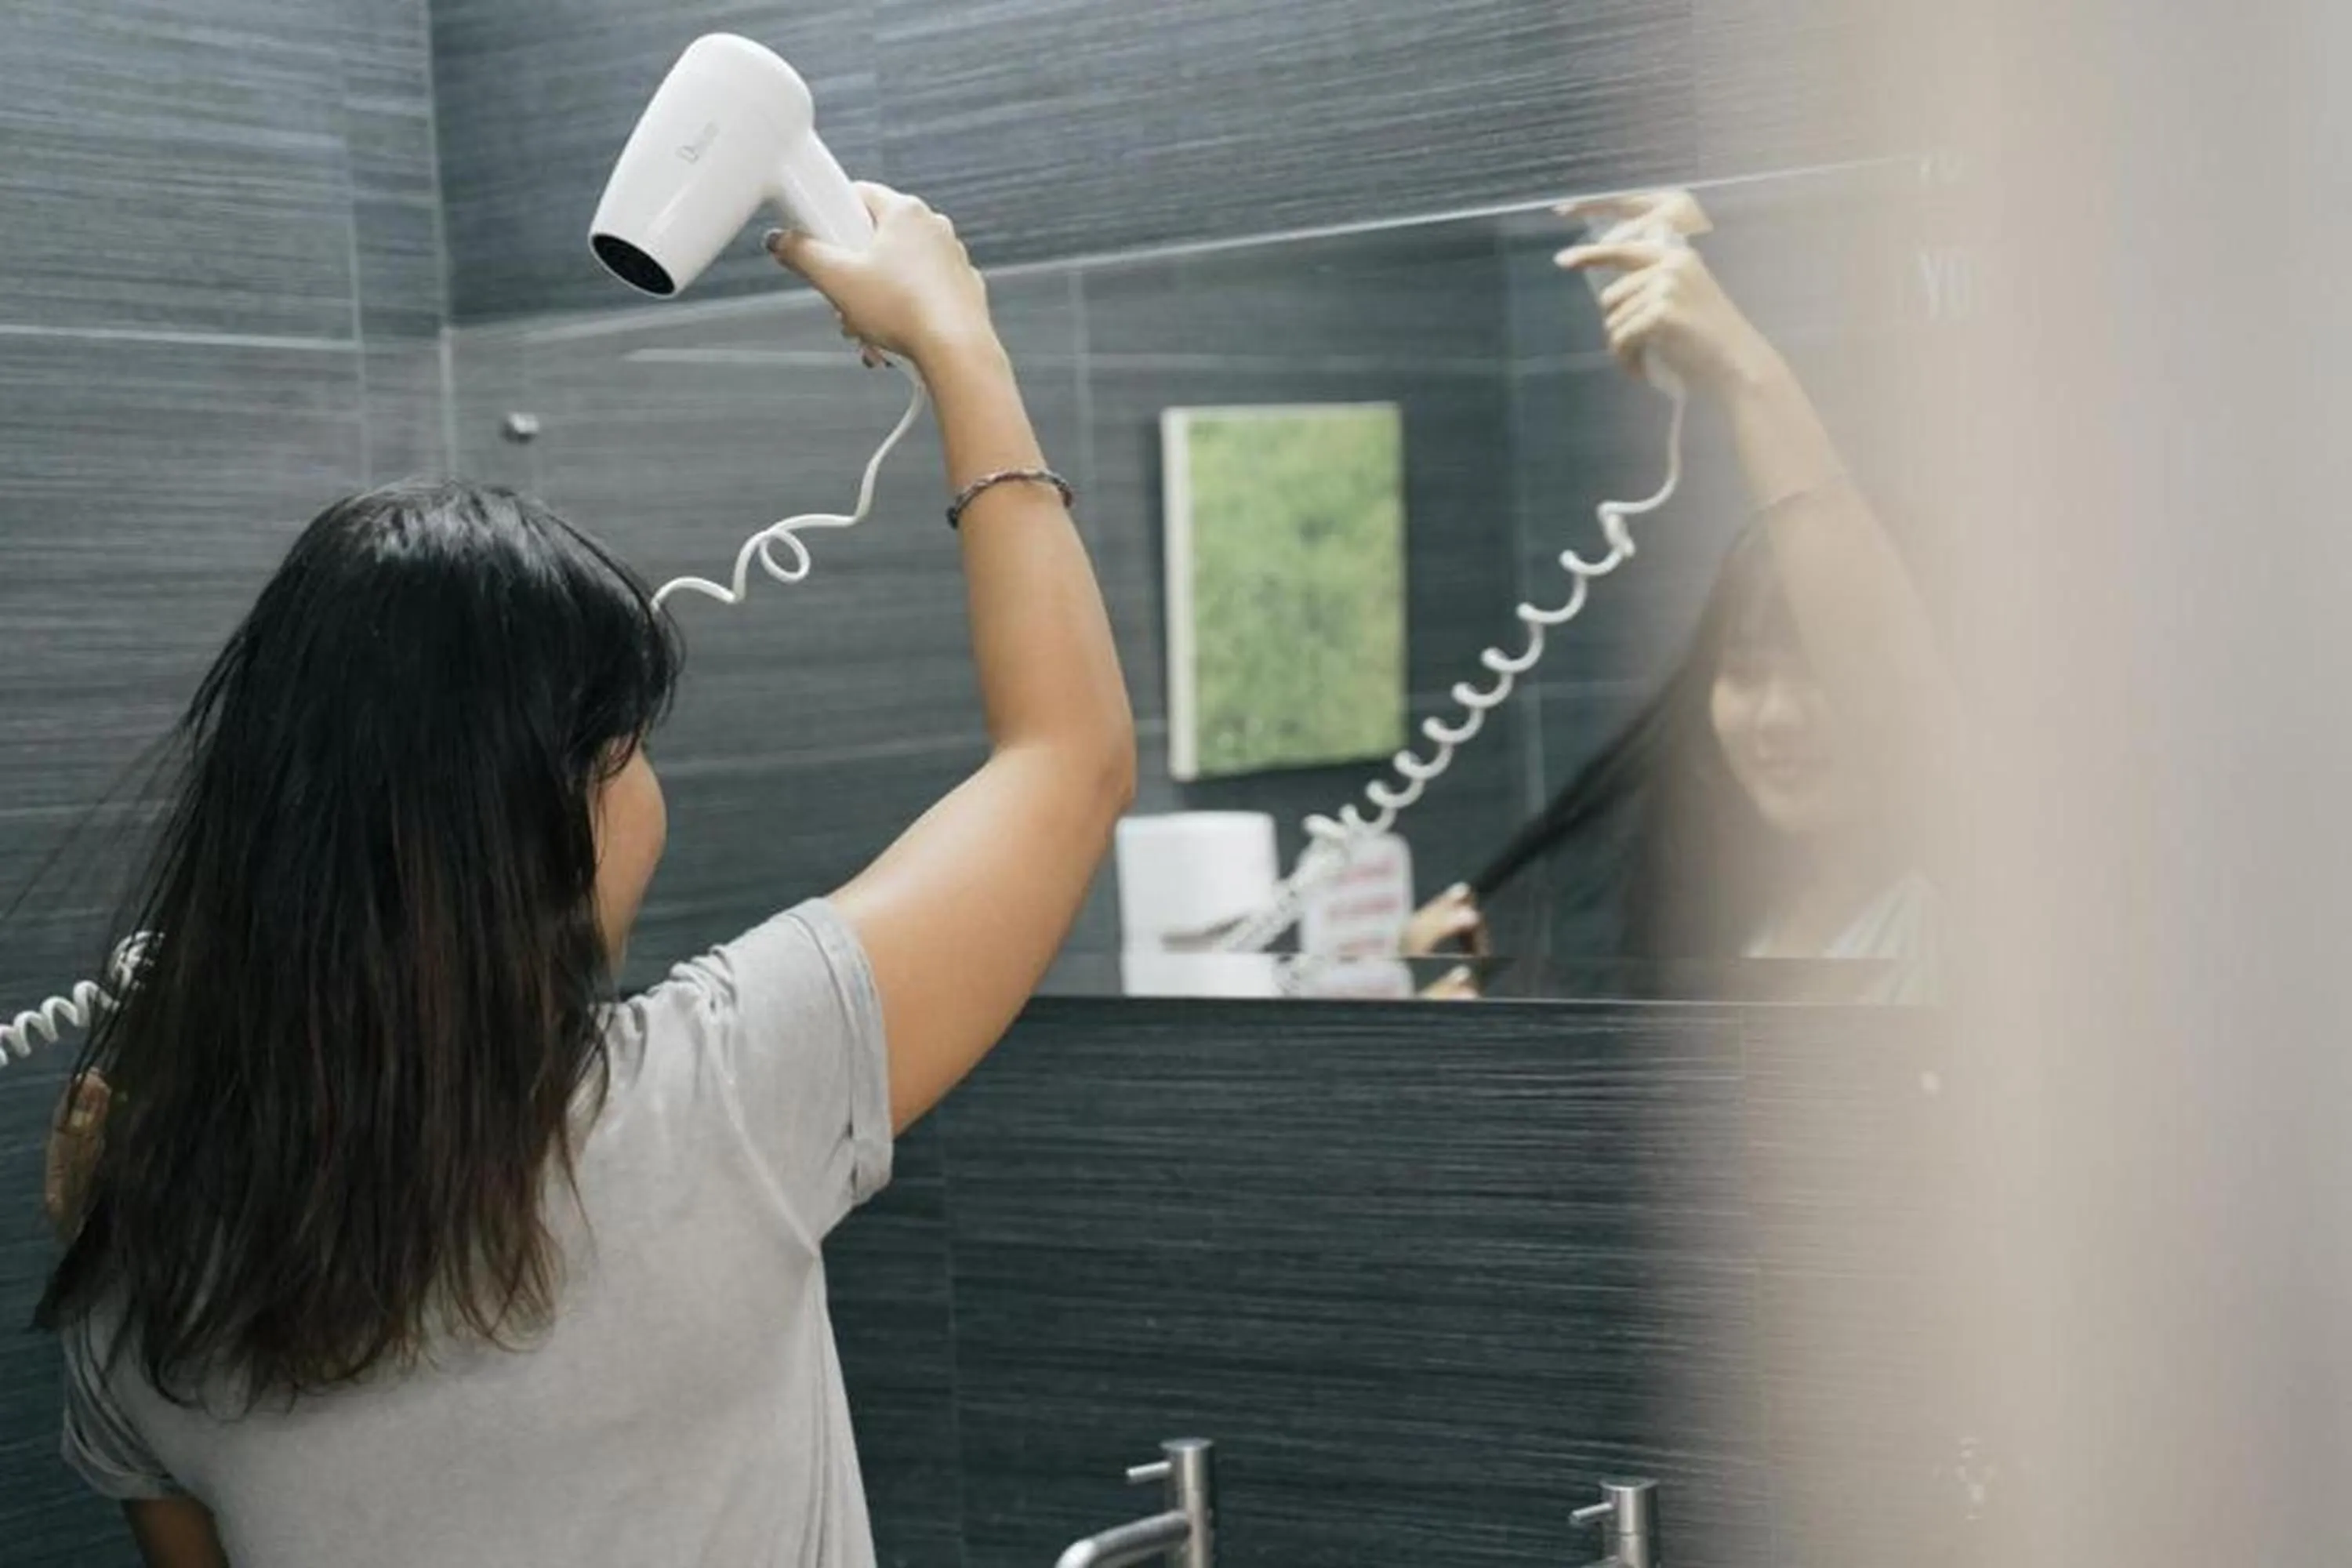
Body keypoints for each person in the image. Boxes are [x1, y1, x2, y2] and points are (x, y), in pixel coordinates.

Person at [34, 184, 1134, 1568]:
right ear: (554, 815)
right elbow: (1069, 759)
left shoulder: (139, 1285)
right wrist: (955, 340)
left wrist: (132, 1205)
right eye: (630, 751)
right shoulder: (723, 1101)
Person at [1402, 191, 1954, 1004]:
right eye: (1744, 670)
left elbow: (1890, 691)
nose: (1775, 717)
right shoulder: (1722, 921)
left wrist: (1744, 369)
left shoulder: (1967, 908)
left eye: (1817, 670)